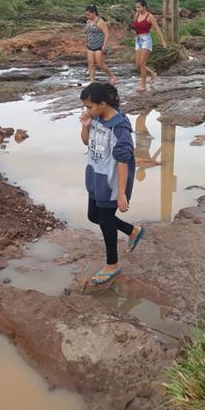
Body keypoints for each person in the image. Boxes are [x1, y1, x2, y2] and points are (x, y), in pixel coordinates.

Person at [79, 82, 146, 286]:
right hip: (95, 175)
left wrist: (121, 193)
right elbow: (85, 142)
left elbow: (123, 161)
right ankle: (132, 230)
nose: (87, 110)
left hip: (111, 181)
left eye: (89, 106)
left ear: (103, 103)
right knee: (93, 215)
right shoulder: (96, 118)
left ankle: (112, 264)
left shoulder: (119, 128)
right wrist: (85, 127)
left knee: (106, 218)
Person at [133, 0, 167, 92]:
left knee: (142, 63)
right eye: (136, 7)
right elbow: (135, 27)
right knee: (138, 64)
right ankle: (152, 74)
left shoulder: (150, 16)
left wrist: (163, 41)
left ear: (144, 6)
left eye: (139, 7)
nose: (137, 9)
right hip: (138, 39)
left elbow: (157, 29)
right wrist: (135, 32)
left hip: (146, 40)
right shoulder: (136, 15)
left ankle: (143, 85)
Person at [84, 4, 116, 85]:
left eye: (88, 14)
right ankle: (92, 81)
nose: (87, 16)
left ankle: (111, 76)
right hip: (90, 45)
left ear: (94, 13)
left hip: (99, 46)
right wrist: (87, 41)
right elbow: (88, 33)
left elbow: (107, 34)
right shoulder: (88, 21)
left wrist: (104, 46)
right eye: (86, 14)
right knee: (91, 64)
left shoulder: (100, 21)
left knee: (100, 64)